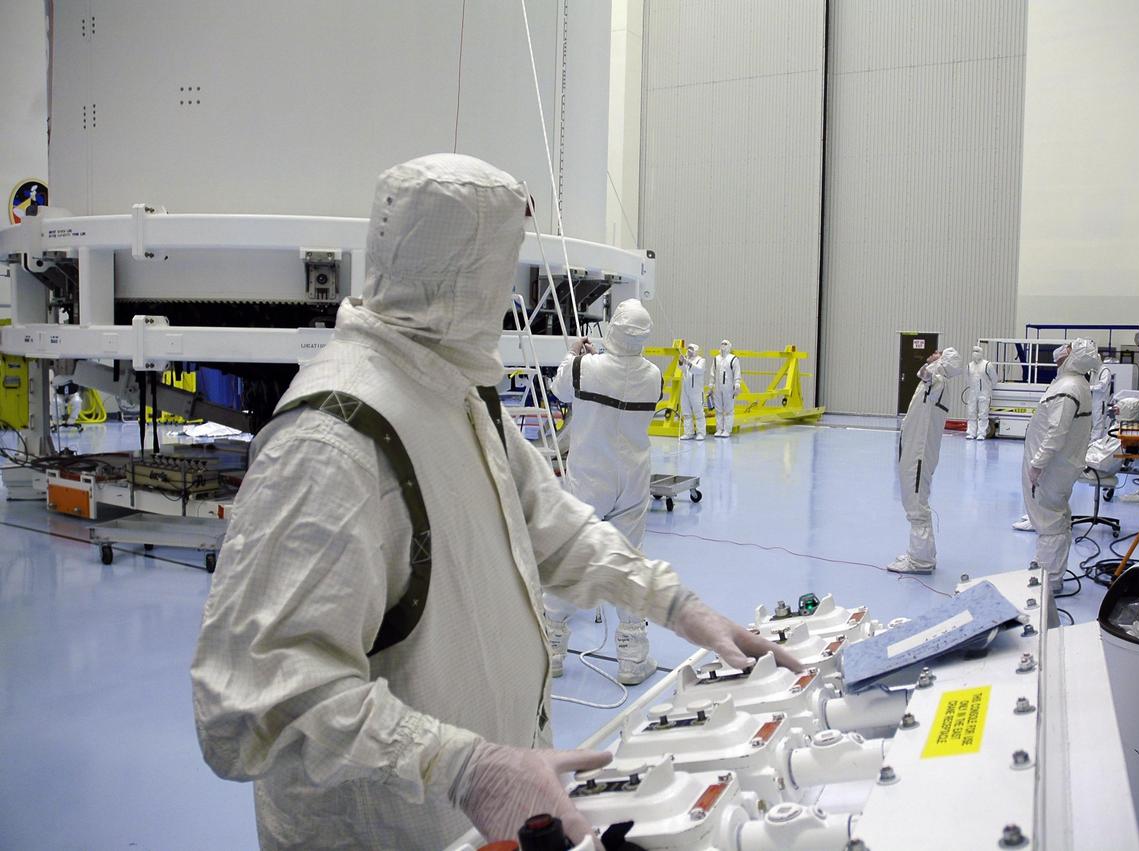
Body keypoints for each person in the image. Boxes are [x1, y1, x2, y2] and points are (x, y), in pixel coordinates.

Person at [190, 154, 801, 850]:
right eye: (505, 264)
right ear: (467, 268)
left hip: (487, 822)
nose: (508, 291)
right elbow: (253, 699)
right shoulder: (332, 442)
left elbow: (555, 527)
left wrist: (676, 605)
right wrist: (460, 766)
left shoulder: (453, 392)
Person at [545, 300, 664, 685]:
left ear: (612, 330)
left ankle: (552, 649)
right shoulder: (654, 376)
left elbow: (561, 388)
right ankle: (632, 657)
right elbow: (623, 380)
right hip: (632, 480)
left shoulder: (586, 367)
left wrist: (574, 355)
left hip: (589, 479)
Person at [1021, 338, 1101, 592]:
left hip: (1051, 467)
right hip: (1063, 465)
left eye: (1068, 348)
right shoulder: (1076, 384)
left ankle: (1047, 580)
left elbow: (1056, 432)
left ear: (1075, 357)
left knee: (1048, 520)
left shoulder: (1068, 388)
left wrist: (1037, 464)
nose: (1062, 350)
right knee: (1056, 515)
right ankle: (1049, 570)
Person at [888, 347, 963, 574]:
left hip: (919, 452)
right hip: (916, 449)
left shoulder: (937, 381)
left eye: (939, 353)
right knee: (914, 498)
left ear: (943, 362)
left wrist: (936, 364)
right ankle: (922, 553)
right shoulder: (934, 382)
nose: (933, 353)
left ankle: (920, 561)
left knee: (915, 502)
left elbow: (925, 374)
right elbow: (923, 374)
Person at [965, 345, 997, 440]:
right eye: (974, 351)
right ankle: (971, 432)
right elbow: (967, 379)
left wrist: (988, 390)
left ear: (981, 353)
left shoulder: (987, 365)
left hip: (984, 392)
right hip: (972, 393)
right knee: (971, 412)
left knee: (983, 413)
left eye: (977, 351)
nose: (975, 354)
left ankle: (981, 433)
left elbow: (994, 379)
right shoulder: (969, 366)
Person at [712, 340, 741, 437]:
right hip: (717, 387)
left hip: (728, 388)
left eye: (725, 344)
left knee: (728, 410)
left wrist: (737, 384)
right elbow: (713, 373)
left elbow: (737, 372)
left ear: (729, 346)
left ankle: (727, 430)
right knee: (718, 409)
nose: (723, 346)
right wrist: (711, 385)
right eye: (722, 344)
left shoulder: (733, 359)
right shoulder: (716, 359)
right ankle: (719, 429)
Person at [678, 342, 708, 441]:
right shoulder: (687, 359)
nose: (689, 351)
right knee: (686, 412)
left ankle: (701, 433)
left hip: (696, 391)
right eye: (688, 349)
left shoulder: (701, 360)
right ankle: (688, 433)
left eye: (691, 349)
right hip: (686, 390)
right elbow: (682, 369)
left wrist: (687, 362)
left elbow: (699, 370)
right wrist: (681, 362)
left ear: (696, 350)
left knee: (698, 412)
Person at [1090, 359, 1116, 442]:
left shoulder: (1105, 371)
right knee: (1092, 425)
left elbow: (1102, 387)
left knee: (1098, 426)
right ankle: (1091, 444)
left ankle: (1094, 445)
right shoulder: (1092, 371)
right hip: (1092, 402)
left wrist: (1088, 388)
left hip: (1100, 403)